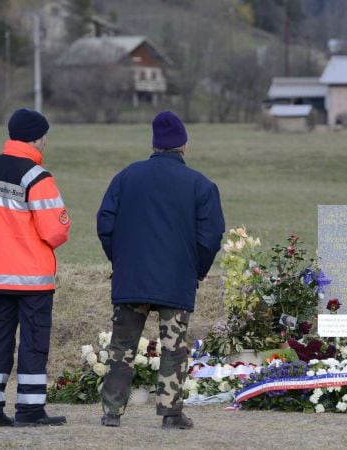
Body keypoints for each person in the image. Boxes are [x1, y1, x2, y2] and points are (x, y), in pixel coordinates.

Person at [96, 111, 224, 429]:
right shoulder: (201, 185)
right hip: (176, 280)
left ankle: (112, 412)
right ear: (183, 146)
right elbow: (210, 237)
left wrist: (121, 261)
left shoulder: (125, 178)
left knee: (122, 346)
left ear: (154, 144)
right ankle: (171, 413)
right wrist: (197, 270)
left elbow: (105, 225)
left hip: (131, 278)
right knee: (174, 347)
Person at [0, 108, 70, 427]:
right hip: (31, 277)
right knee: (33, 341)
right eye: (45, 136)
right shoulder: (36, 177)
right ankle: (29, 410)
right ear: (38, 137)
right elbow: (56, 230)